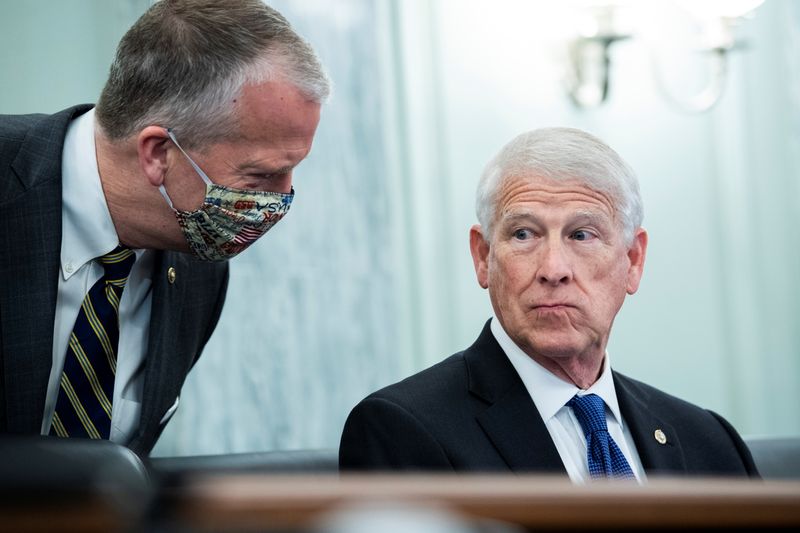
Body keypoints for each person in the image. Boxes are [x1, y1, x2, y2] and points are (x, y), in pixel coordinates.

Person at [0, 0, 329, 456]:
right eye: (262, 177)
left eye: (293, 171)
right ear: (157, 152)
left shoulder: (200, 262)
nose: (281, 200)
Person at [339, 128, 758, 481]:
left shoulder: (709, 441)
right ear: (483, 257)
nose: (553, 269)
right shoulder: (401, 429)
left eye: (582, 235)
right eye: (524, 234)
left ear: (632, 260)